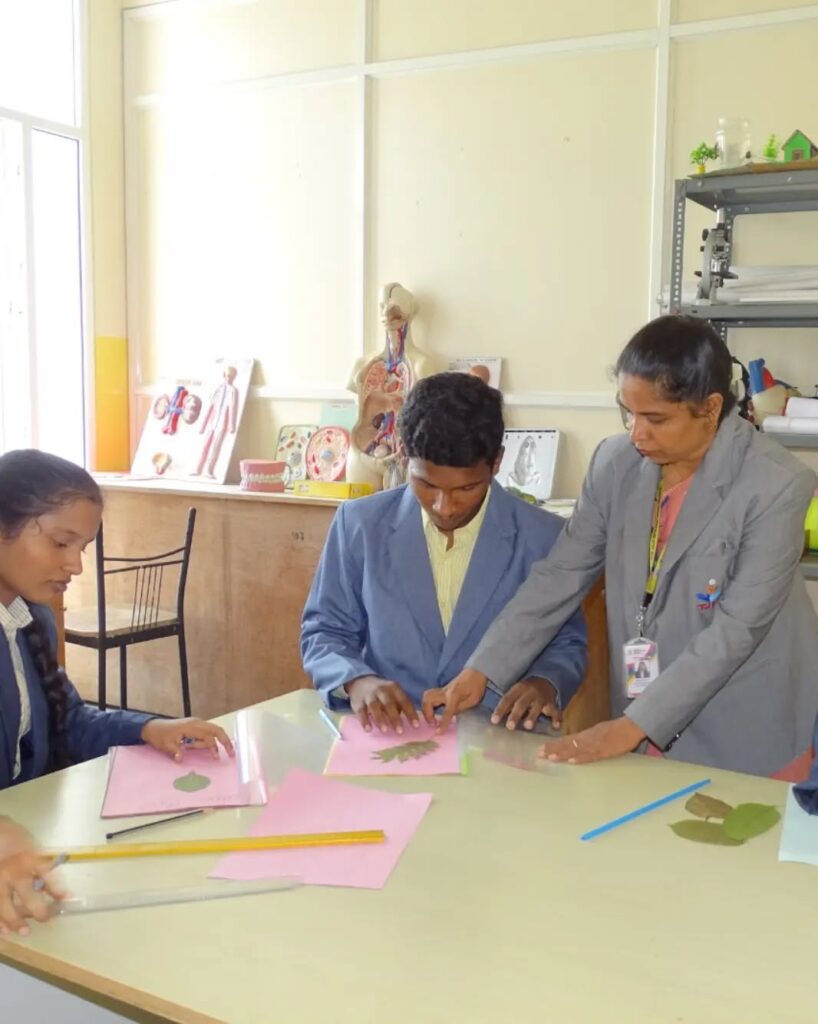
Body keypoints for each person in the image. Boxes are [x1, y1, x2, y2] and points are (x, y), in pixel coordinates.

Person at [423, 316, 818, 777]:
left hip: (744, 724)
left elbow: (736, 632)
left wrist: (629, 727)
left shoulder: (776, 484)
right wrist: (481, 671)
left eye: (655, 418)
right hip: (642, 708)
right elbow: (561, 575)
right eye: (627, 412)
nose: (636, 433)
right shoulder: (615, 463)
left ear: (710, 408)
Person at [0, 450, 233, 928]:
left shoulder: (31, 619)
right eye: (62, 542)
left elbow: (70, 722)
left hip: (27, 850)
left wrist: (149, 727)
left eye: (82, 547)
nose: (76, 566)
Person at [301, 372, 587, 733]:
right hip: (393, 737)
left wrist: (545, 683)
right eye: (426, 483)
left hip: (503, 743)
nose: (445, 506)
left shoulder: (543, 536)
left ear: (496, 462)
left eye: (467, 488)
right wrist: (357, 681)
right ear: (404, 456)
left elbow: (568, 641)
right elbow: (324, 631)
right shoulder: (359, 525)